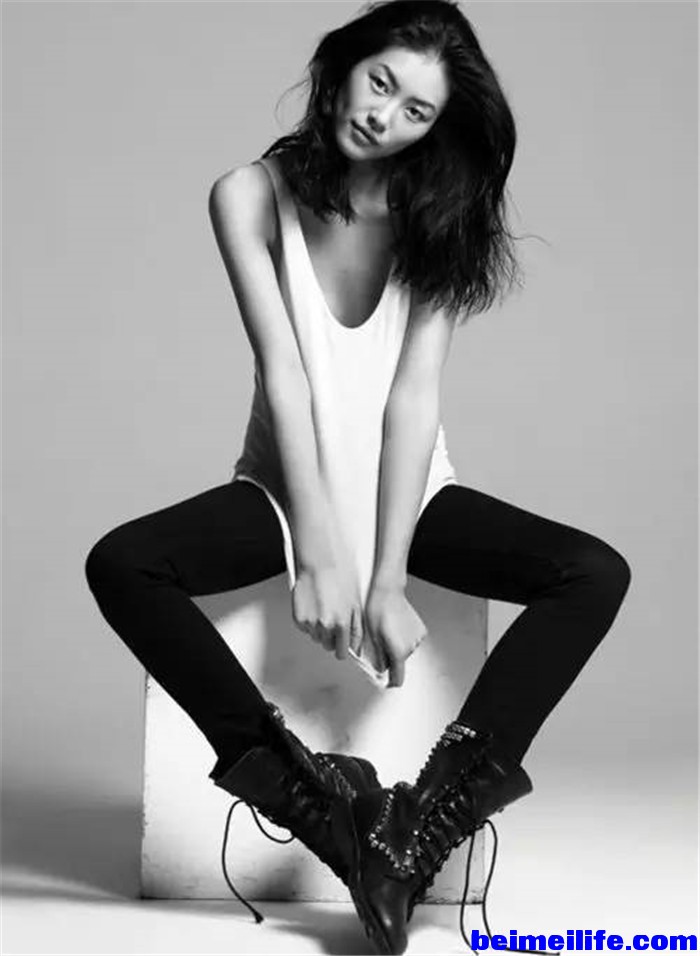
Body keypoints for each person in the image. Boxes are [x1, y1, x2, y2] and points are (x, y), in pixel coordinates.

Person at [84, 1, 632, 953]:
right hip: (280, 495)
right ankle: (323, 808)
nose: (384, 116)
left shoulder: (438, 215)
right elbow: (285, 376)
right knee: (122, 564)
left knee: (593, 573)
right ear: (342, 65)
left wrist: (384, 577)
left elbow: (413, 400)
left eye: (417, 111)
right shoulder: (246, 194)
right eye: (381, 83)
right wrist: (318, 554)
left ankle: (420, 824)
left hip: (414, 501)